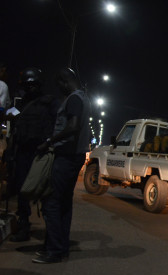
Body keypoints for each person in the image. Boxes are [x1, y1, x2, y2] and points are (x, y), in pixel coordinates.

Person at [32, 68, 91, 264]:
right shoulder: (84, 98)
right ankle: (61, 247)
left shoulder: (74, 99)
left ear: (65, 82)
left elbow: (72, 126)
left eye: (59, 86)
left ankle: (54, 250)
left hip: (66, 157)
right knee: (64, 203)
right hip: (75, 157)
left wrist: (49, 141)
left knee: (52, 203)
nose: (59, 90)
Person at [7, 68, 59, 242]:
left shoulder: (49, 102)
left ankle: (50, 232)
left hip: (41, 152)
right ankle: (24, 225)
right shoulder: (22, 103)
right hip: (23, 151)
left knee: (43, 191)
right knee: (22, 189)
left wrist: (49, 144)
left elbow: (57, 125)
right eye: (28, 86)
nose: (30, 89)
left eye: (33, 85)